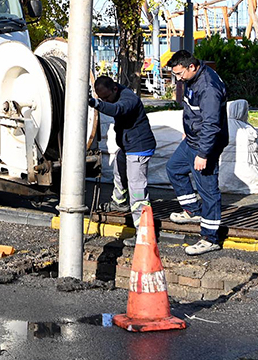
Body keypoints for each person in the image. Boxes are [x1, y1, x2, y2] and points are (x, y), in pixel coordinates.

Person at [165, 49, 228, 256]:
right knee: (174, 168)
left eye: (180, 73)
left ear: (192, 67)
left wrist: (203, 154)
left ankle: (210, 237)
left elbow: (211, 124)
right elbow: (193, 111)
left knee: (208, 190)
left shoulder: (209, 88)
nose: (178, 78)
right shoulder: (192, 80)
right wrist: (187, 131)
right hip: (192, 139)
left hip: (205, 145)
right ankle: (192, 210)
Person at [87, 75, 156, 213]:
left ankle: (142, 224)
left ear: (114, 89)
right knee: (119, 172)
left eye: (107, 98)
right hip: (127, 146)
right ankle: (119, 202)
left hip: (138, 148)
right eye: (102, 99)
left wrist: (96, 103)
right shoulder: (115, 92)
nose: (106, 101)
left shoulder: (129, 99)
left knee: (137, 187)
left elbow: (118, 109)